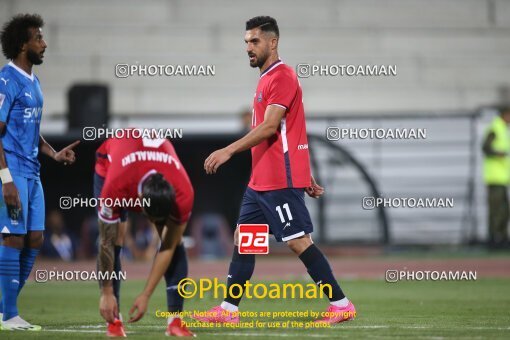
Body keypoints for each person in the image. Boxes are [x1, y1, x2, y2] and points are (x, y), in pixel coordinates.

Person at [198, 16, 356, 325]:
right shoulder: (266, 77)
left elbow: (271, 128)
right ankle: (229, 310)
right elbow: (290, 131)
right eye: (246, 42)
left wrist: (229, 149)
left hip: (278, 180)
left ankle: (341, 303)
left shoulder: (282, 76)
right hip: (262, 181)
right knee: (245, 238)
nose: (248, 47)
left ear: (273, 42)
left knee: (298, 241)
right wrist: (305, 171)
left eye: (254, 41)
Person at [0, 14, 79, 331]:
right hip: (13, 173)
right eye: (38, 38)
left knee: (35, 237)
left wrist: (53, 153)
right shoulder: (6, 80)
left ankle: (5, 310)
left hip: (33, 173)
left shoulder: (35, 82)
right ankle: (9, 315)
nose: (44, 44)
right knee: (13, 238)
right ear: (23, 45)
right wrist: (6, 180)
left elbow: (31, 130)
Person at [94, 132, 195, 337]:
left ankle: (175, 320)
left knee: (175, 243)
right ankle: (114, 321)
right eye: (152, 218)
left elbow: (167, 246)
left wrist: (146, 294)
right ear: (138, 201)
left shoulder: (184, 192)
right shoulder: (116, 187)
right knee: (115, 240)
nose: (154, 224)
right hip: (109, 163)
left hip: (147, 159)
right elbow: (106, 243)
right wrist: (106, 292)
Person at [482, 107, 510, 248]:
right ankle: (493, 240)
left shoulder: (503, 129)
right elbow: (485, 147)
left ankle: (502, 238)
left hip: (503, 178)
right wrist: (498, 153)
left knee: (504, 211)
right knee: (496, 211)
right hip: (494, 178)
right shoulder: (495, 128)